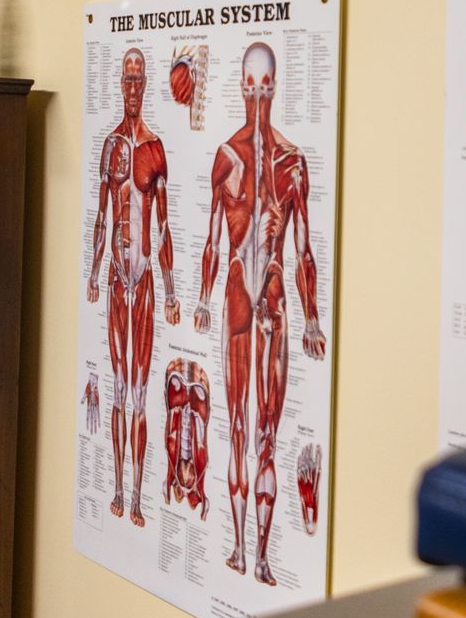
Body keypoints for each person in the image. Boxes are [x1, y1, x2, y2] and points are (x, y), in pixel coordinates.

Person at [195, 41, 326, 586]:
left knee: (266, 433)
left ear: (275, 88)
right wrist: (202, 298)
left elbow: (303, 248)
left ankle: (263, 557)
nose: (257, 97)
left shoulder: (293, 163)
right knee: (237, 429)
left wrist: (313, 317)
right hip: (235, 295)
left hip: (272, 295)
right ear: (241, 87)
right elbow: (212, 239)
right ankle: (238, 549)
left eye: (265, 86)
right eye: (250, 86)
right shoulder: (226, 157)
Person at [87, 48, 182, 527]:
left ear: (144, 86)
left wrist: (170, 289)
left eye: (137, 80)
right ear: (119, 84)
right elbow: (102, 217)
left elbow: (162, 226)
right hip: (115, 279)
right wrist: (92, 272)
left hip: (143, 279)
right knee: (118, 387)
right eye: (126, 79)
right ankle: (118, 490)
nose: (131, 87)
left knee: (139, 392)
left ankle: (138, 498)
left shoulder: (155, 149)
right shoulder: (109, 147)